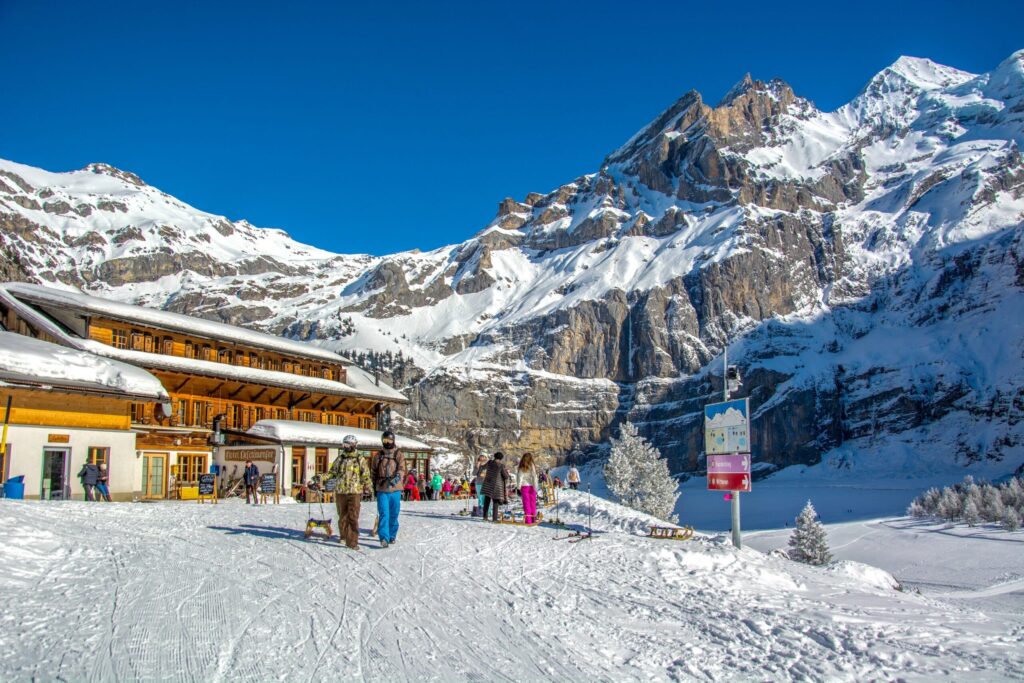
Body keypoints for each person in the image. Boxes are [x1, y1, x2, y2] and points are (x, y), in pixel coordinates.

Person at [325, 434, 372, 550]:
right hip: (341, 491)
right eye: (344, 444)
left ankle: (352, 542)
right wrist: (320, 478)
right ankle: (343, 536)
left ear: (354, 445)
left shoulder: (359, 459)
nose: (346, 447)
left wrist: (368, 486)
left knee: (353, 517)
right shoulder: (340, 458)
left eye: (348, 445)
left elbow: (365, 474)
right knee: (342, 516)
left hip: (354, 492)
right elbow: (332, 473)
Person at [370, 430, 405, 548]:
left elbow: (402, 469)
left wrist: (396, 478)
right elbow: (373, 472)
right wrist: (373, 486)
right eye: (385, 440)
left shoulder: (398, 454)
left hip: (395, 488)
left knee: (394, 513)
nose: (387, 443)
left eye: (389, 440)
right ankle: (384, 538)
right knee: (384, 513)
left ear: (393, 441)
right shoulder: (378, 456)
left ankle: (392, 535)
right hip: (382, 488)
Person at [480, 452, 510, 522]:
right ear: (501, 458)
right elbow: (506, 476)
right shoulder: (501, 466)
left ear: (495, 456)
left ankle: (485, 517)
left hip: (488, 484)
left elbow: (482, 467)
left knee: (486, 501)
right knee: (495, 502)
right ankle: (494, 519)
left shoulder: (489, 462)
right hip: (496, 486)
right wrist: (507, 472)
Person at [516, 453, 540, 524]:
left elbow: (520, 478)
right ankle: (533, 519)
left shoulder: (521, 466)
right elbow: (534, 477)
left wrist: (518, 488)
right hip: (532, 487)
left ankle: (528, 520)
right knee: (533, 503)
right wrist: (535, 488)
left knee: (526, 503)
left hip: (524, 486)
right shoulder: (532, 465)